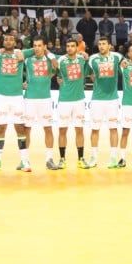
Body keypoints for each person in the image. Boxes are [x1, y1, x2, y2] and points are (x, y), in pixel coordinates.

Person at [0, 34, 28, 172]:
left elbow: (39, 50)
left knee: (20, 128)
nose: (8, 42)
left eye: (11, 39)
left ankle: (24, 161)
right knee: (1, 128)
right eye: (6, 39)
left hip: (17, 97)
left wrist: (19, 52)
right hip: (1, 97)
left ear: (15, 42)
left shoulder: (20, 53)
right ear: (2, 42)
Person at [23, 37, 59, 170]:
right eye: (35, 45)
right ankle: (24, 160)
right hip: (30, 99)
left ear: (44, 46)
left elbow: (56, 65)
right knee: (27, 129)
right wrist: (22, 82)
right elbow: (18, 57)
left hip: (45, 99)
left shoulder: (50, 59)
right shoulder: (28, 59)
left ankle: (49, 159)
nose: (36, 48)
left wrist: (49, 54)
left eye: (39, 45)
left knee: (48, 128)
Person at [87, 37, 123, 168]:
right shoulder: (92, 59)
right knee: (95, 129)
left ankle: (113, 157)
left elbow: (126, 67)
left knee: (113, 128)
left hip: (112, 99)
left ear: (109, 46)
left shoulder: (117, 57)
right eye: (99, 44)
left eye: (104, 44)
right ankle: (93, 157)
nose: (101, 46)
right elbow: (89, 73)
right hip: (97, 99)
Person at [56, 39, 90, 169]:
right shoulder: (61, 60)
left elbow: (88, 68)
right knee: (62, 130)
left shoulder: (82, 59)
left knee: (79, 130)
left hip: (79, 100)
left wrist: (86, 55)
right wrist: (58, 78)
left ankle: (80, 159)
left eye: (72, 46)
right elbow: (53, 69)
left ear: (77, 48)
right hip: (64, 100)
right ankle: (62, 159)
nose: (69, 48)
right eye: (68, 46)